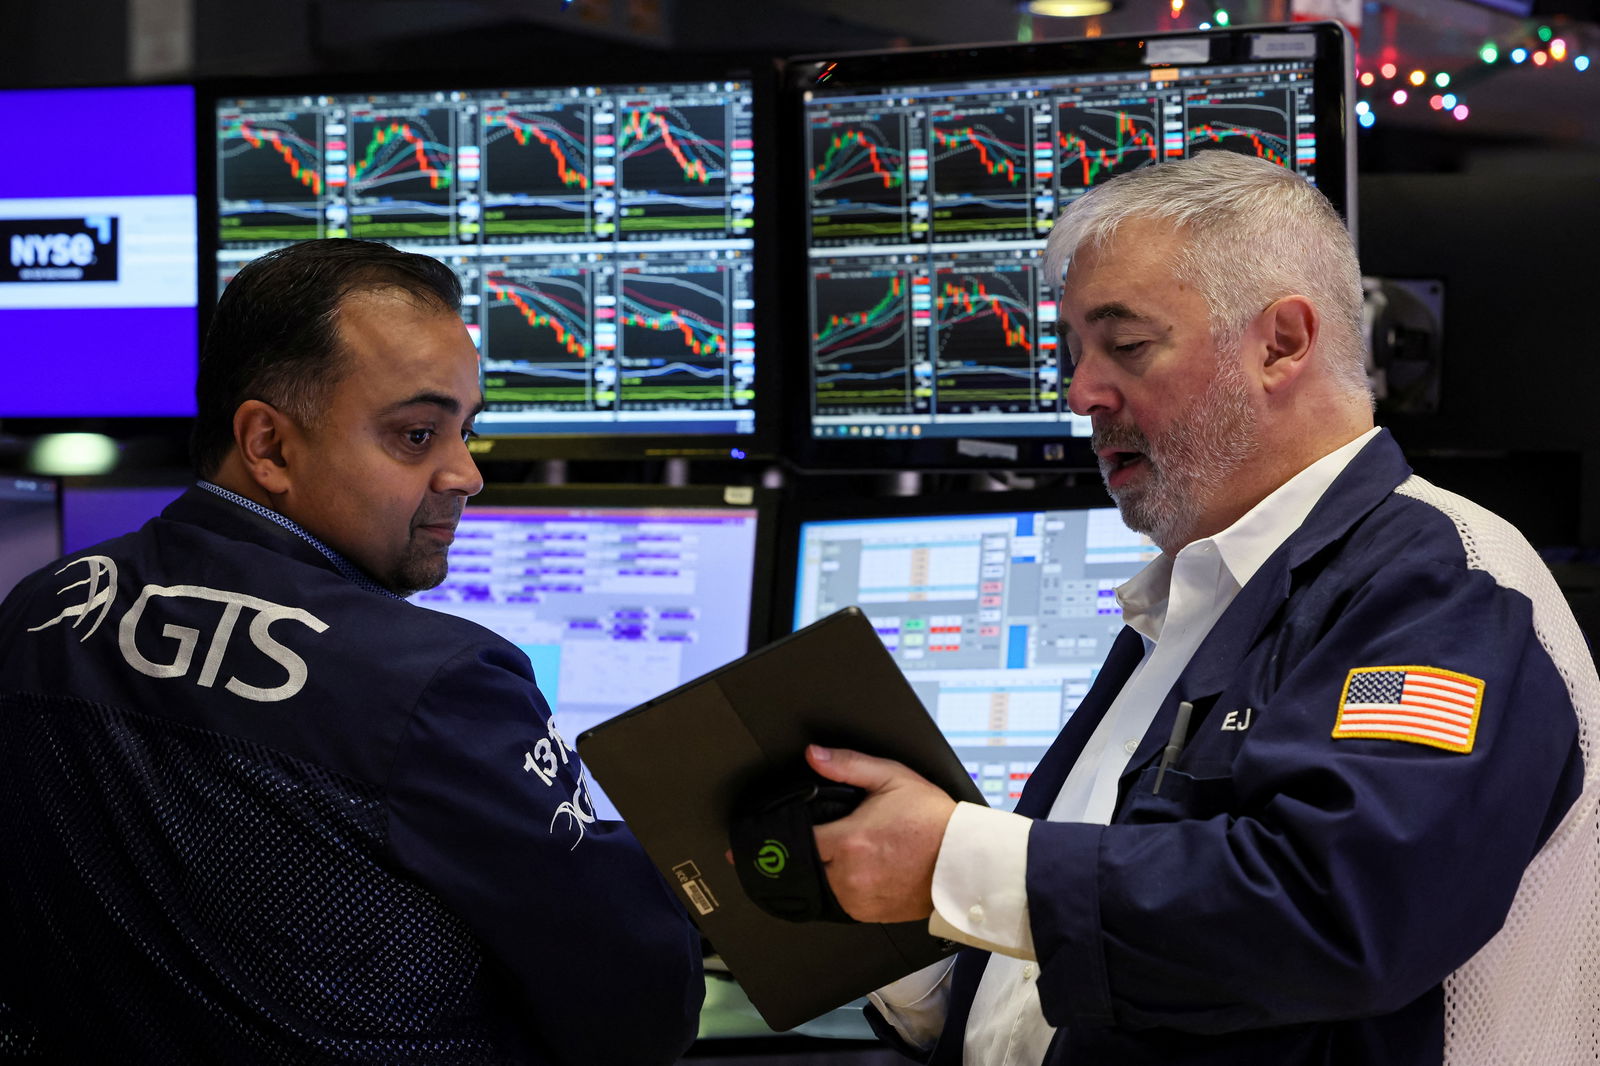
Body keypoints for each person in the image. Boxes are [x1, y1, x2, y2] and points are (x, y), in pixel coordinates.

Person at [805, 151, 1598, 1064]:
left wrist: (956, 860)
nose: (1081, 393)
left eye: (1128, 345)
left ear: (1283, 343)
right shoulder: (1194, 603)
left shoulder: (1440, 583)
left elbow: (1338, 911)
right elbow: (1118, 972)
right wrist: (911, 941)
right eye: (1076, 353)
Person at [0, 239, 704, 1063]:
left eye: (466, 433)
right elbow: (641, 1006)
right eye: (416, 435)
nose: (466, 475)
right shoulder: (436, 686)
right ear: (267, 445)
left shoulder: (41, 610)